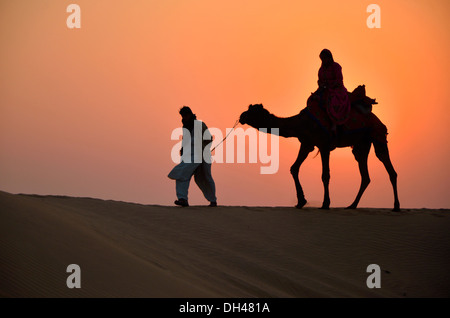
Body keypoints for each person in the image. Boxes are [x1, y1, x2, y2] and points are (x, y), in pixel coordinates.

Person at [168, 106, 217, 207]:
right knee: (182, 173)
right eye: (183, 116)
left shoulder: (200, 125)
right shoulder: (185, 127)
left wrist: (203, 148)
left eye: (186, 115)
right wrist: (182, 149)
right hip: (189, 156)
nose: (184, 117)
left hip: (202, 156)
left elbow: (209, 139)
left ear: (190, 114)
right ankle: (182, 199)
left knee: (205, 177)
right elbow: (185, 140)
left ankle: (213, 200)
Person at [315, 49, 351, 131]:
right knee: (312, 99)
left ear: (329, 57)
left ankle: (334, 124)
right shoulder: (321, 69)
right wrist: (322, 85)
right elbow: (319, 80)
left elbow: (339, 80)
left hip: (337, 90)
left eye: (325, 58)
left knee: (332, 101)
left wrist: (329, 85)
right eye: (322, 58)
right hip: (323, 89)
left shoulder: (336, 67)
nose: (324, 60)